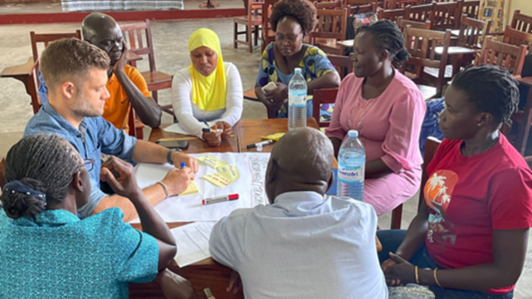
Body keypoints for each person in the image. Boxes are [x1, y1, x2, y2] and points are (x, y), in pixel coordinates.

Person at [378, 65, 532, 299]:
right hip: (432, 254)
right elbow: (425, 215)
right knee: (358, 244)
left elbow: (506, 273)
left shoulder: (510, 176)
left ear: (483, 119)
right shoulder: (452, 144)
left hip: (475, 286)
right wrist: (399, 258)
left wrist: (420, 276)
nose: (441, 115)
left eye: (451, 110)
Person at [0, 134, 195, 299]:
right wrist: (135, 193)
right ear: (79, 181)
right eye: (86, 165)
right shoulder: (106, 236)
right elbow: (167, 248)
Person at [24, 38, 198, 222]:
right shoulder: (50, 145)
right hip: (74, 239)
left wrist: (172, 156)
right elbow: (104, 213)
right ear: (68, 90)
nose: (106, 95)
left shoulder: (87, 118)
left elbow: (129, 146)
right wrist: (167, 187)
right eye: (98, 88)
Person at [209, 127, 388, 299]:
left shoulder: (240, 228)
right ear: (330, 181)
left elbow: (216, 245)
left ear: (270, 171)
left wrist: (240, 262)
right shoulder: (361, 214)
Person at [325, 20, 426, 216]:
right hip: (347, 168)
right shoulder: (349, 82)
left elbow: (394, 161)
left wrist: (348, 173)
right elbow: (335, 131)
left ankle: (365, 239)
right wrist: (332, 167)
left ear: (383, 55)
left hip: (394, 174)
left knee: (346, 212)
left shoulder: (406, 95)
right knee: (313, 197)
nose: (352, 57)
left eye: (360, 52)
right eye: (353, 50)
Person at [37, 12, 162, 131]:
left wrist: (120, 73)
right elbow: (59, 121)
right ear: (88, 45)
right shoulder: (75, 77)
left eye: (119, 40)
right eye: (107, 43)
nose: (117, 48)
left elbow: (154, 120)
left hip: (117, 146)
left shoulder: (130, 74)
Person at [254, 0, 341, 119]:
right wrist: (266, 100)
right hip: (283, 122)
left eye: (290, 37)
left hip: (314, 122)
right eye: (279, 36)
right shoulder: (270, 52)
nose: (284, 43)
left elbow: (334, 79)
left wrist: (288, 91)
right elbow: (258, 87)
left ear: (304, 35)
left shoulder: (313, 55)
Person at [172, 28, 243, 147]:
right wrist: (203, 133)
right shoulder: (182, 78)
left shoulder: (229, 71)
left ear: (218, 53)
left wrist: (225, 123)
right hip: (192, 134)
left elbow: (235, 107)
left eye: (209, 54)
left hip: (223, 134)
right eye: (196, 55)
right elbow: (183, 114)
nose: (203, 61)